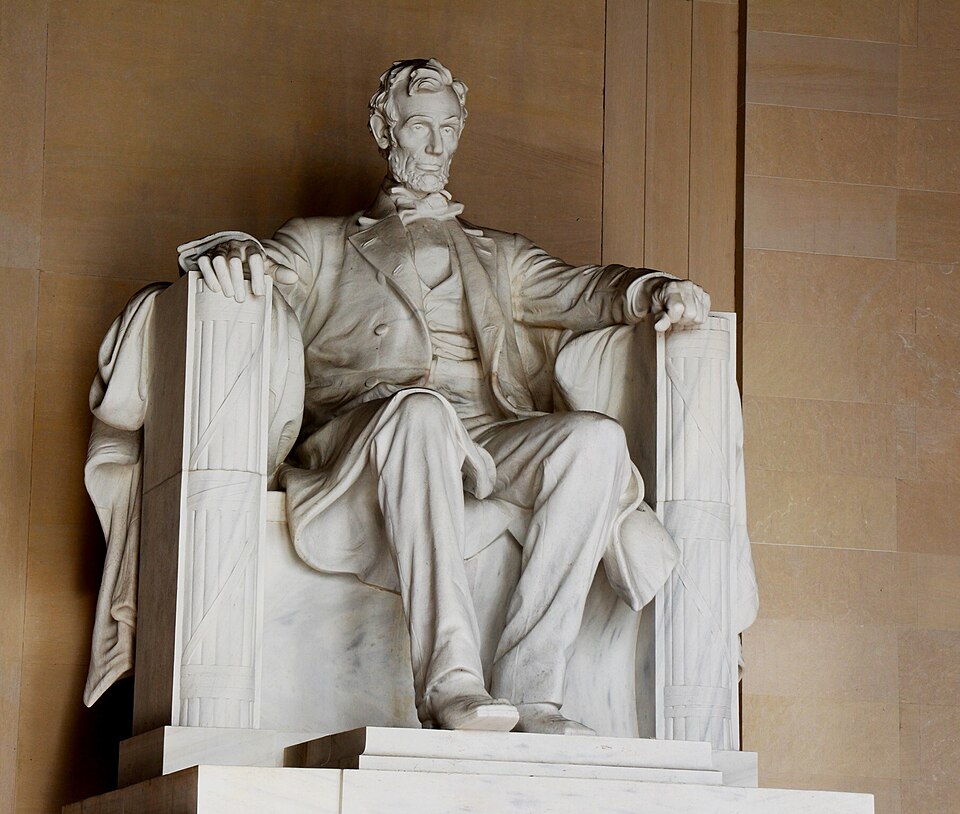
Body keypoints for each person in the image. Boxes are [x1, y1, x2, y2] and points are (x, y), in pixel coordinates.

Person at [180, 58, 710, 735]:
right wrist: (232, 251)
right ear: (384, 128)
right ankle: (452, 682)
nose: (435, 147)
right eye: (418, 128)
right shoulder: (322, 244)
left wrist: (652, 291)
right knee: (421, 412)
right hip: (365, 434)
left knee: (595, 440)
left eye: (448, 130)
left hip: (484, 434)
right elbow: (256, 262)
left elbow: (586, 289)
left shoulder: (501, 256)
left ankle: (531, 691)